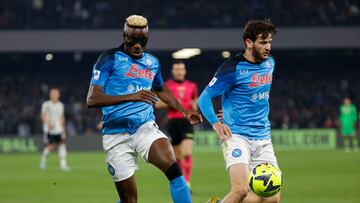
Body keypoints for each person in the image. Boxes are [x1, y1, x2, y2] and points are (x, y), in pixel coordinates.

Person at [86, 15, 202, 203]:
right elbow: (92, 99)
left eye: (142, 41)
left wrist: (183, 110)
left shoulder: (152, 62)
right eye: (133, 40)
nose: (138, 46)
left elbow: (160, 88)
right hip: (116, 134)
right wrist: (132, 96)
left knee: (173, 167)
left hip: (144, 126)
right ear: (124, 36)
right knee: (129, 200)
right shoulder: (109, 59)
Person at [197, 20, 280, 203]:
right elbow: (204, 97)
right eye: (263, 42)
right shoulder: (232, 68)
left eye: (270, 42)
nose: (268, 47)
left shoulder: (270, 63)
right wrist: (216, 122)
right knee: (241, 190)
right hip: (236, 136)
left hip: (263, 137)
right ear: (249, 42)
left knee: (270, 197)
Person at [155, 61, 198, 189]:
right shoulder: (166, 86)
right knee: (177, 156)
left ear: (184, 71)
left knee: (187, 152)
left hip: (187, 121)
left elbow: (195, 102)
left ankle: (187, 182)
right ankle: (181, 182)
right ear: (173, 71)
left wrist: (194, 105)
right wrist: (172, 102)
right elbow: (157, 104)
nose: (179, 72)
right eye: (177, 69)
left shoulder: (192, 86)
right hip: (173, 123)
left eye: (181, 69)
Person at [40, 88, 70, 171]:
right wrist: (47, 123)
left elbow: (62, 117)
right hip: (49, 129)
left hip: (58, 129)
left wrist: (63, 127)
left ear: (58, 95)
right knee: (50, 146)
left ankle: (63, 164)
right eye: (53, 94)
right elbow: (43, 115)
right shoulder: (46, 104)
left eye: (56, 94)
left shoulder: (61, 105)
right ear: (50, 95)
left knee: (62, 144)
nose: (54, 95)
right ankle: (43, 160)